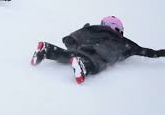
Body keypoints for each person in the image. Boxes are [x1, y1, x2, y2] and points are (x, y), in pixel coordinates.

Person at [31, 16, 165, 84]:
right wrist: (160, 53)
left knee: (69, 55)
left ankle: (47, 49)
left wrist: (79, 36)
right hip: (98, 54)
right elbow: (147, 52)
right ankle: (82, 67)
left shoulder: (93, 30)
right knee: (96, 64)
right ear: (118, 30)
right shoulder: (121, 41)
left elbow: (72, 37)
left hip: (82, 48)